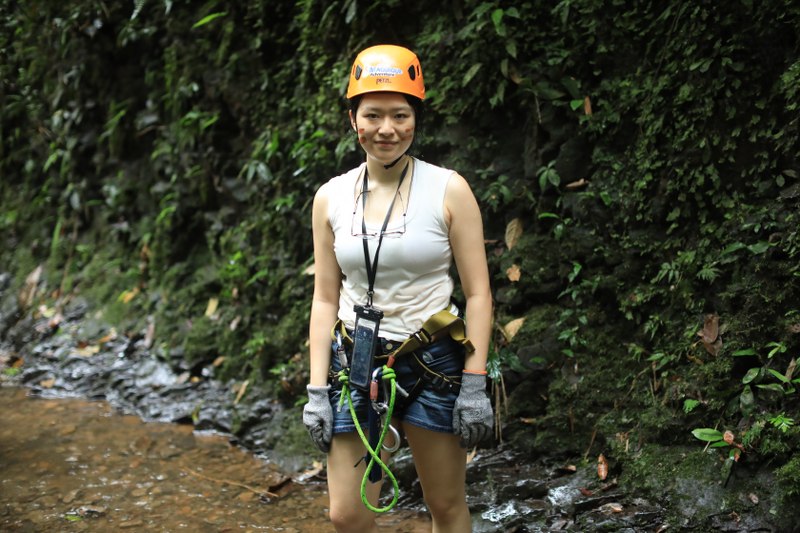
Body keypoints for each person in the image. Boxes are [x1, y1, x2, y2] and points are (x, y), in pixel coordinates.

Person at [303, 44, 493, 533]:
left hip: (433, 363)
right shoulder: (331, 197)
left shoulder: (449, 190)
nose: (386, 129)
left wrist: (474, 384)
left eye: (400, 115)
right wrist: (317, 390)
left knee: (444, 506)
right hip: (357, 361)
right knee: (348, 515)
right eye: (373, 115)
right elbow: (325, 297)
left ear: (415, 119)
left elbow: (478, 294)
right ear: (353, 120)